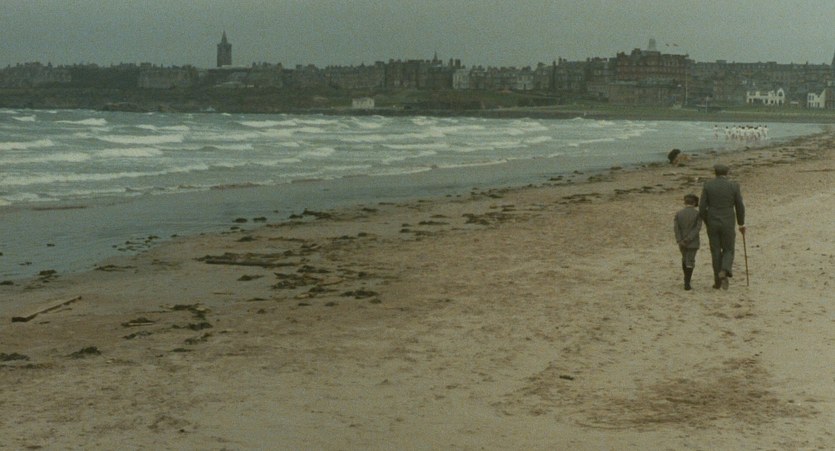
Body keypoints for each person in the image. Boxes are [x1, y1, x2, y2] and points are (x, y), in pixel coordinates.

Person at [699, 164, 746, 290]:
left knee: (715, 251)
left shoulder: (708, 185)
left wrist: (707, 220)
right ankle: (725, 270)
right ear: (727, 172)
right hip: (728, 220)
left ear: (715, 172)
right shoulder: (734, 186)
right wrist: (741, 223)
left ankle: (717, 281)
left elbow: (702, 207)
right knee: (728, 249)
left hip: (712, 220)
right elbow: (739, 206)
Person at [674, 193, 702, 290]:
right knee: (690, 260)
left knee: (684, 258)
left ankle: (686, 279)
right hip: (693, 241)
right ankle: (687, 282)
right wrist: (689, 239)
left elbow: (676, 228)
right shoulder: (697, 214)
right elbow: (697, 228)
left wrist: (679, 239)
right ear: (694, 203)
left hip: (681, 241)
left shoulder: (679, 213)